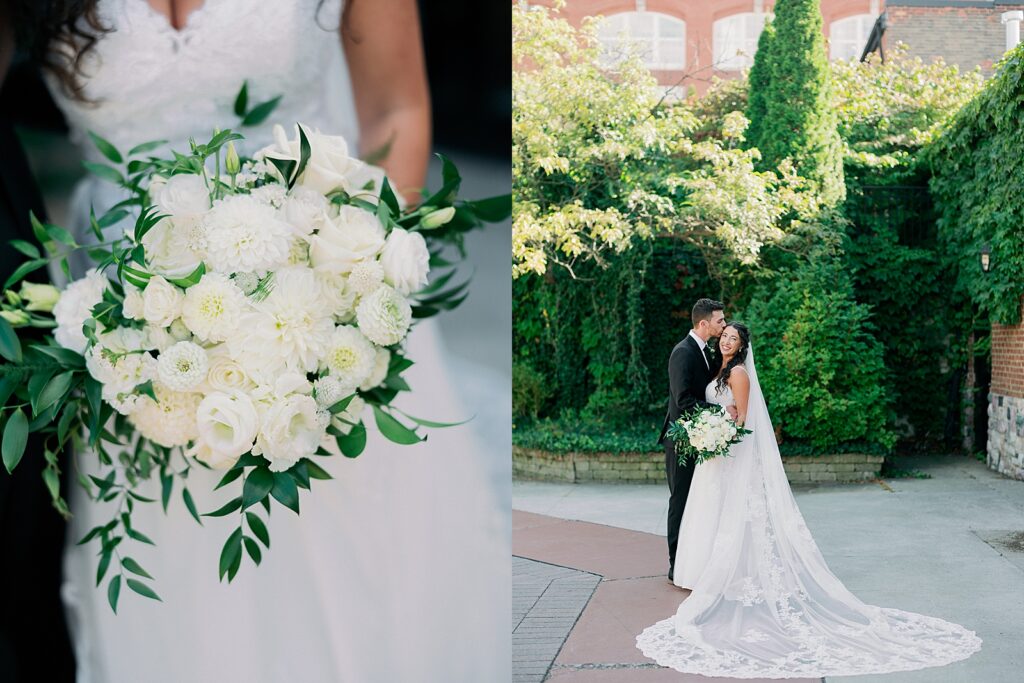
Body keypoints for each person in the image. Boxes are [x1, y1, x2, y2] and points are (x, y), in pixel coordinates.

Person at [13, 1, 507, 681]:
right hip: (129, 328)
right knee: (171, 592)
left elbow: (396, 111)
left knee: (345, 581)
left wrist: (350, 288)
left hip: (317, 304)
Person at [637, 322, 981, 678]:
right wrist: (709, 433)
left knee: (737, 518)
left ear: (741, 346)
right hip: (716, 459)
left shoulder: (738, 373)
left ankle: (736, 576)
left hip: (731, 456)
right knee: (712, 515)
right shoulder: (717, 367)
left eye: (733, 339)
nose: (726, 341)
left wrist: (720, 433)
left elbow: (742, 421)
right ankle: (705, 572)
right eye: (724, 336)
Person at [657, 298, 733, 583]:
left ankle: (695, 561)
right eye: (720, 321)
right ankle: (676, 564)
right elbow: (684, 400)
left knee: (697, 502)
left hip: (700, 438)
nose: (723, 325)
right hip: (680, 440)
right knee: (680, 500)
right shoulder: (683, 352)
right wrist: (721, 412)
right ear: (704, 323)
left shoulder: (705, 351)